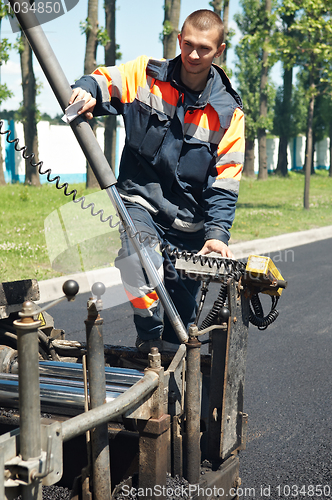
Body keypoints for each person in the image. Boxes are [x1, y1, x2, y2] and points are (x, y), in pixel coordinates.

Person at [70, 9, 245, 352]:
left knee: (181, 329)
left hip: (189, 226)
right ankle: (148, 339)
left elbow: (226, 182)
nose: (194, 55)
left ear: (219, 51)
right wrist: (86, 89)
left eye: (204, 49)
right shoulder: (145, 74)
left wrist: (216, 236)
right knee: (138, 260)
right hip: (140, 201)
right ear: (179, 40)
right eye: (188, 44)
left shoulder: (229, 114)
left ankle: (172, 372)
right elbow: (105, 80)